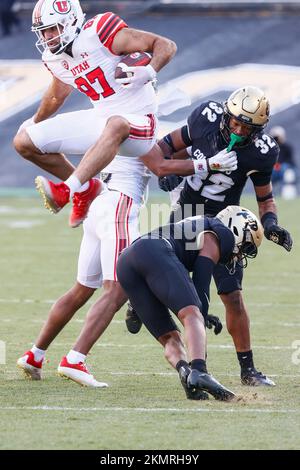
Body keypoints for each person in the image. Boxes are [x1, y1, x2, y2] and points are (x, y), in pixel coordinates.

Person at [125, 86, 293, 387]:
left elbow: (265, 198)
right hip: (188, 210)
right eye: (235, 122)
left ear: (259, 129)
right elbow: (165, 148)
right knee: (169, 273)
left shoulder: (262, 151)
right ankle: (139, 301)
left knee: (233, 296)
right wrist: (171, 172)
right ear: (226, 115)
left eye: (248, 127)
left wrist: (271, 226)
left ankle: (248, 370)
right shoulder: (206, 117)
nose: (239, 130)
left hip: (225, 220)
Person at [17, 154, 151, 386]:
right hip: (120, 205)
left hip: (98, 203)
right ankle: (75, 359)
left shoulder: (111, 127)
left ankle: (34, 355)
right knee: (117, 289)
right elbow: (162, 163)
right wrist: (205, 164)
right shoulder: (140, 126)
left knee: (82, 289)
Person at [117, 205, 264, 400]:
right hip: (154, 251)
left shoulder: (200, 224)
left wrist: (200, 310)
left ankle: (185, 372)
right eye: (245, 246)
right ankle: (200, 371)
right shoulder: (218, 234)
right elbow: (201, 282)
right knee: (193, 315)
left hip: (127, 261)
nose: (240, 255)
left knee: (171, 338)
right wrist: (200, 313)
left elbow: (183, 275)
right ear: (236, 227)